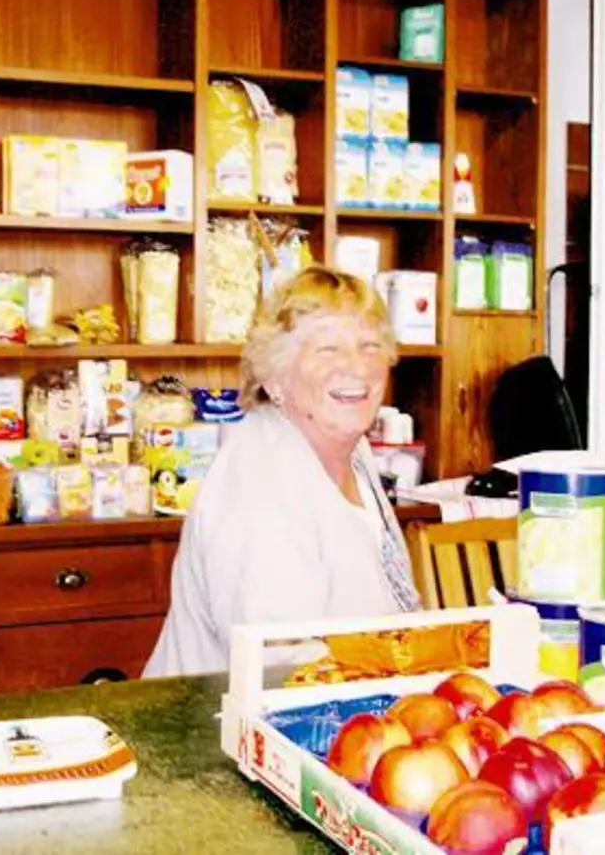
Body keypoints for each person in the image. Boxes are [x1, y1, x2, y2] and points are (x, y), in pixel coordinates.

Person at [143, 266, 423, 678]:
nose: (358, 368)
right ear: (274, 377)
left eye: (369, 345)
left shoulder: (350, 446)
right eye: (327, 349)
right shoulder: (259, 480)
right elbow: (278, 667)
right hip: (222, 730)